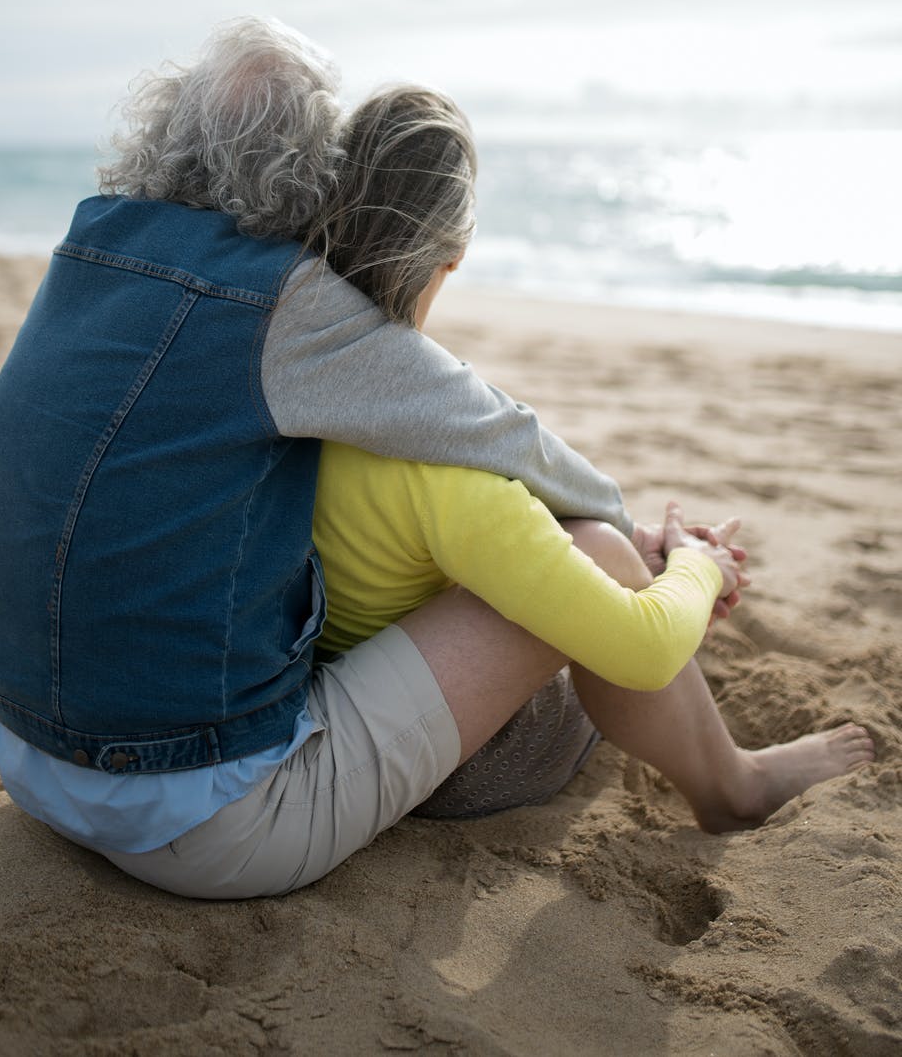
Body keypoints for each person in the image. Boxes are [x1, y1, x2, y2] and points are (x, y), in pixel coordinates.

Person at [0, 16, 651, 899]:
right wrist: (619, 521)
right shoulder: (281, 300)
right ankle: (727, 775)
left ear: (166, 123)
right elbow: (492, 430)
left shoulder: (90, 243)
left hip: (25, 756)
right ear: (312, 167)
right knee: (582, 567)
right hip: (199, 817)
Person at [307, 85, 874, 827]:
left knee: (590, 558)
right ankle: (734, 785)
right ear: (455, 255)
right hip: (441, 766)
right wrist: (698, 571)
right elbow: (640, 652)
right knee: (604, 559)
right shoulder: (444, 461)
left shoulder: (286, 380)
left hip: (337, 683)